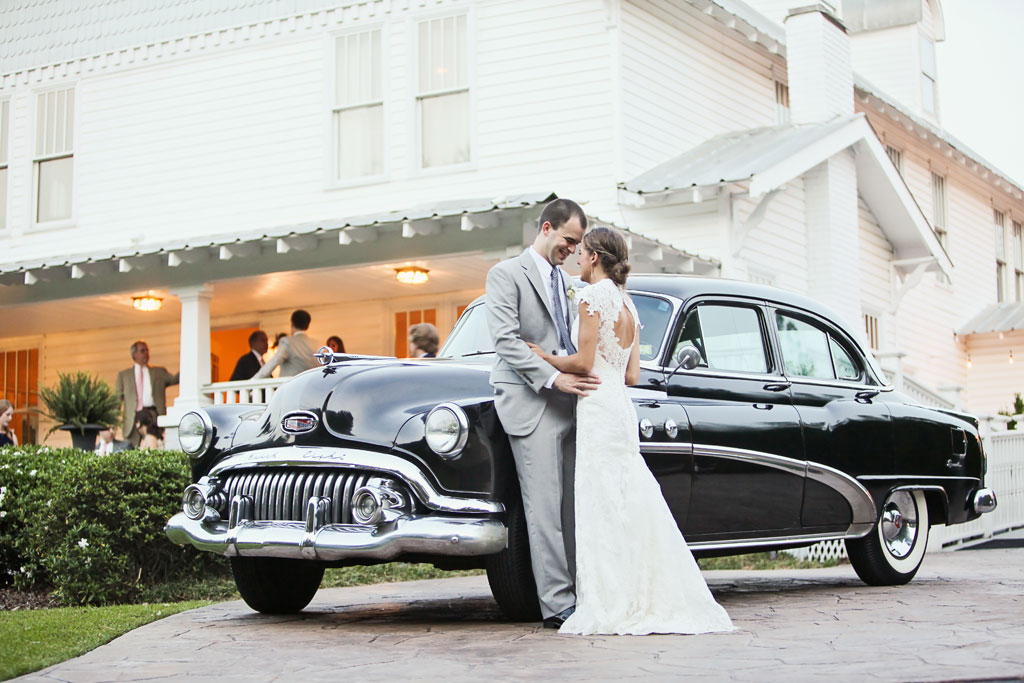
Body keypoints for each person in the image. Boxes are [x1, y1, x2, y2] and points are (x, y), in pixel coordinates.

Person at [526, 227, 733, 635]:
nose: (577, 258)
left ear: (596, 257)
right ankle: (646, 589)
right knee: (629, 500)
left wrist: (544, 357)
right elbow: (634, 374)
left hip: (598, 408)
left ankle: (611, 599)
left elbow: (584, 363)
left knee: (600, 503)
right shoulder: (628, 305)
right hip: (621, 408)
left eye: (582, 252)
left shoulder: (590, 298)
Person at [485, 198, 599, 629]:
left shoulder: (570, 283)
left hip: (574, 404)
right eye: (568, 240)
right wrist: (553, 379)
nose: (572, 249)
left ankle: (581, 593)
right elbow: (506, 341)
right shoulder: (505, 274)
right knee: (545, 510)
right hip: (532, 403)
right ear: (547, 228)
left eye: (577, 244)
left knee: (573, 508)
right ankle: (557, 605)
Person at [114, 341, 179, 447]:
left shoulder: (158, 372)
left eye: (147, 350)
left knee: (154, 447)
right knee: (131, 450)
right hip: (133, 418)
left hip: (152, 415)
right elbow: (117, 400)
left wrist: (188, 363)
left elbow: (174, 379)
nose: (146, 353)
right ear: (134, 355)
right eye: (142, 351)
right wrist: (113, 421)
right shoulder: (124, 375)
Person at [254, 310, 318, 379]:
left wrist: (252, 381)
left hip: (292, 387)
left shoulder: (286, 342)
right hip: (313, 387)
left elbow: (273, 362)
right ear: (307, 325)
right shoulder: (316, 344)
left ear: (292, 323)